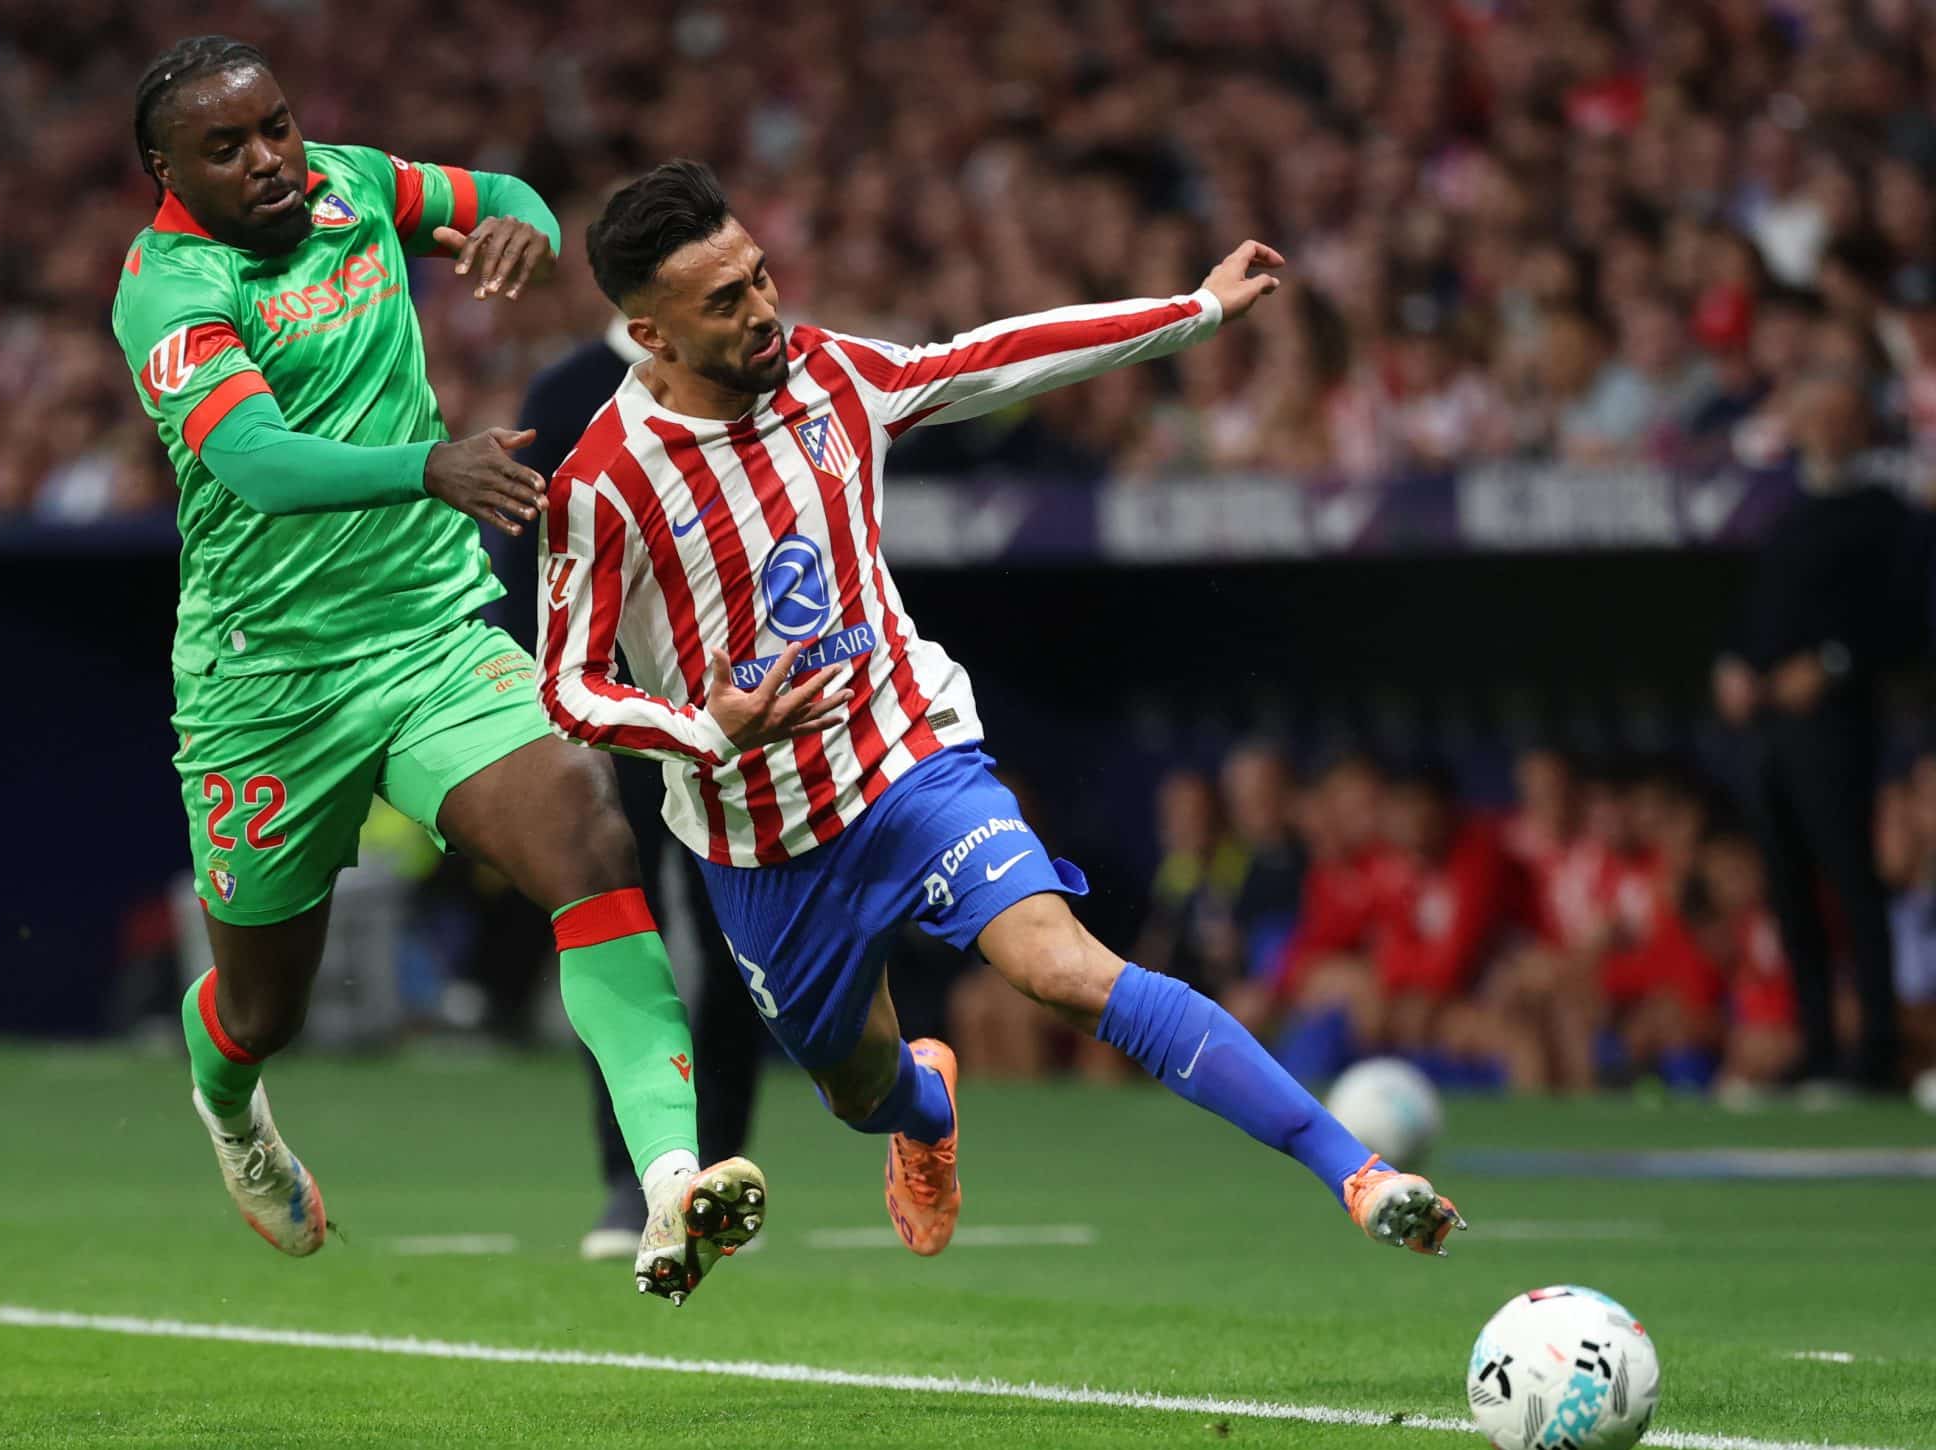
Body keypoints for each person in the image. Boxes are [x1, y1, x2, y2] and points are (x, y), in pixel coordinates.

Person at [538, 160, 1465, 1259]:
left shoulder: (831, 374)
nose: (763, 309)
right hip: (762, 839)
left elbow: (986, 358)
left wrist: (1195, 311)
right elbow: (569, 686)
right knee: (857, 1086)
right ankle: (924, 1108)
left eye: (761, 277)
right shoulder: (603, 481)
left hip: (908, 756)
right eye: (724, 300)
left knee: (1063, 970)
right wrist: (708, 731)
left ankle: (1357, 1172)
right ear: (650, 333)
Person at [112, 39, 761, 1305]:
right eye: (228, 148)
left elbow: (499, 196)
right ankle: (229, 1099)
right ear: (165, 170)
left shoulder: (350, 181)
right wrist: (430, 465)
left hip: (430, 635)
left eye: (277, 127)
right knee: (264, 1005)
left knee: (587, 837)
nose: (271, 160)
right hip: (268, 684)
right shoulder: (168, 288)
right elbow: (254, 460)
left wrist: (520, 226)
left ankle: (669, 1179)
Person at [515, 318, 763, 1259]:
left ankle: (722, 1169)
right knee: (618, 939)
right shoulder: (565, 392)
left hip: (732, 715)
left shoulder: (744, 370)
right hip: (609, 723)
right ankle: (634, 1181)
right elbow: (523, 566)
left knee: (739, 948)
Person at [1713, 370, 1933, 1090]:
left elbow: (1903, 621)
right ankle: (1817, 1046)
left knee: (1852, 881)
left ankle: (1875, 1048)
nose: (1830, 429)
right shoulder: (1781, 506)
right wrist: (1734, 663)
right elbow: (1752, 607)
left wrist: (1832, 665)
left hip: (1835, 725)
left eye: (1844, 416)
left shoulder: (1885, 512)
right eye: (1818, 415)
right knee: (1788, 889)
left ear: (1864, 427)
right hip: (1768, 728)